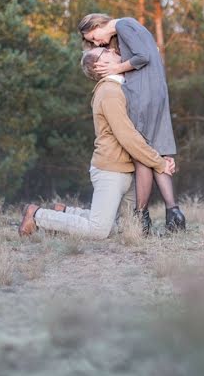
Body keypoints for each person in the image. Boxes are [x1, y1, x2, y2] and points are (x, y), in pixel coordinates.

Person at [18, 47, 176, 238]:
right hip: (111, 170)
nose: (111, 49)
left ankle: (65, 213)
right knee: (99, 231)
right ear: (100, 66)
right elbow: (128, 136)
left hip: (127, 171)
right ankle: (37, 215)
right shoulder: (110, 92)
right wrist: (159, 163)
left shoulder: (122, 87)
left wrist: (163, 155)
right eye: (105, 51)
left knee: (129, 229)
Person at [78, 13, 186, 233]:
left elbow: (144, 56)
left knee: (141, 154)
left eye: (94, 36)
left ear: (98, 24)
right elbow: (152, 52)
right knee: (158, 150)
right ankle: (174, 213)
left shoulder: (124, 25)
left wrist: (116, 69)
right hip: (156, 92)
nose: (97, 42)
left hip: (142, 93)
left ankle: (141, 218)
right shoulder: (132, 28)